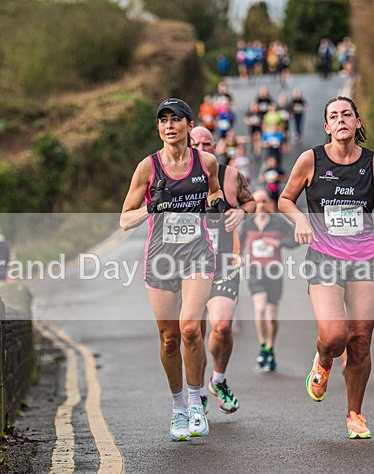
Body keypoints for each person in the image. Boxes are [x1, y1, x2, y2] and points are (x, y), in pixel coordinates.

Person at [279, 96, 374, 439]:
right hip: (325, 258)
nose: (341, 120)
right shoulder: (311, 160)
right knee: (335, 336)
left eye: (347, 114)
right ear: (327, 127)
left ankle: (355, 414)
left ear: (357, 122)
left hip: (365, 260)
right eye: (334, 116)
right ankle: (323, 360)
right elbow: (285, 199)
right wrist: (300, 219)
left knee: (360, 340)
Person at [120, 98, 223, 441]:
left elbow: (214, 192)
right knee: (169, 339)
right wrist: (152, 208)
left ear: (189, 125)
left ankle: (195, 403)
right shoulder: (147, 167)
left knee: (191, 328)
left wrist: (216, 204)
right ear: (158, 128)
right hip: (161, 258)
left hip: (197, 254)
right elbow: (124, 219)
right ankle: (178, 406)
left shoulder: (206, 162)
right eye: (163, 120)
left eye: (176, 119)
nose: (169, 126)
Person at [190, 126, 255, 414]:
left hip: (225, 262)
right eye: (195, 144)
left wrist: (241, 211)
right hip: (189, 264)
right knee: (194, 332)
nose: (201, 149)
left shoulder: (230, 176)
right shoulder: (177, 176)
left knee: (223, 325)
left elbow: (250, 202)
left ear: (215, 147)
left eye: (207, 144)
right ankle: (198, 391)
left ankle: (219, 379)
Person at [239, 189, 298, 370]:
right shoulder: (248, 224)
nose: (261, 205)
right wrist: (239, 257)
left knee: (271, 317)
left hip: (274, 273)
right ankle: (262, 345)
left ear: (269, 203)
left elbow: (296, 239)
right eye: (257, 202)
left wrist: (278, 243)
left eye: (264, 201)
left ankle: (269, 348)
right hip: (255, 272)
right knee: (259, 308)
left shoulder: (278, 222)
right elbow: (238, 244)